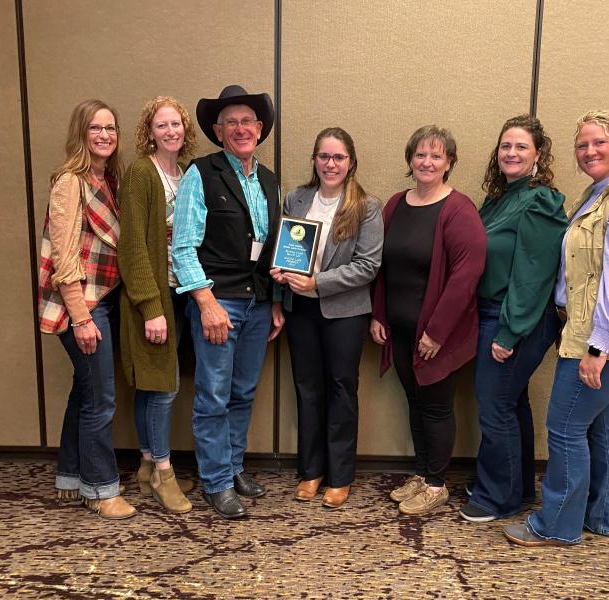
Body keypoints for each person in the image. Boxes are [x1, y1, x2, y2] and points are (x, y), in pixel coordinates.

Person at [504, 110, 609, 546]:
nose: (590, 150)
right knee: (601, 424)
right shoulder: (599, 194)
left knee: (564, 426)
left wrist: (599, 347)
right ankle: (604, 516)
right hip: (595, 332)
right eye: (582, 145)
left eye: (599, 142)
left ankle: (556, 525)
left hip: (605, 337)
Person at [172, 85, 284, 519]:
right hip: (219, 303)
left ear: (260, 129)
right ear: (219, 132)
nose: (241, 129)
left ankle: (234, 467)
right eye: (231, 122)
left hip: (257, 304)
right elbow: (182, 247)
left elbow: (272, 246)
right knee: (213, 396)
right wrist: (206, 301)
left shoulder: (270, 179)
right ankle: (215, 481)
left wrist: (275, 301)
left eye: (248, 121)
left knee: (243, 392)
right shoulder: (201, 173)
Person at [370, 125, 486, 516]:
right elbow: (381, 267)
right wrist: (379, 315)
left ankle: (437, 484)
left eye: (436, 156)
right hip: (398, 329)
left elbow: (466, 276)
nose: (427, 162)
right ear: (410, 159)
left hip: (437, 334)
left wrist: (436, 333)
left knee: (435, 407)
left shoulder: (458, 210)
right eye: (421, 154)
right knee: (415, 402)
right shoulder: (395, 204)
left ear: (449, 163)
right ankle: (422, 473)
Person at [459, 115, 567, 523]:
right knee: (511, 402)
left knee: (495, 407)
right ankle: (516, 488)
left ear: (538, 155)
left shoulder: (540, 199)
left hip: (517, 317)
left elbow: (534, 272)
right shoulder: (501, 197)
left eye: (521, 146)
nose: (511, 153)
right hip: (495, 312)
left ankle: (496, 498)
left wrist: (510, 331)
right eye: (506, 146)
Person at [271, 127, 383, 509]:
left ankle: (339, 475)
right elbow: (284, 251)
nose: (330, 164)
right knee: (307, 389)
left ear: (351, 162)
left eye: (338, 157)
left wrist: (317, 282)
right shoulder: (296, 198)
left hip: (344, 313)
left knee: (340, 391)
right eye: (324, 156)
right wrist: (280, 274)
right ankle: (311, 470)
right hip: (299, 310)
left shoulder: (366, 207)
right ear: (314, 160)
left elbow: (367, 267)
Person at [37, 99, 134, 519]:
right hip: (81, 304)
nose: (104, 135)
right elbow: (64, 255)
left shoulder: (107, 180)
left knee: (84, 390)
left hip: (104, 300)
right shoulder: (70, 182)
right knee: (101, 398)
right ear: (81, 133)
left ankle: (71, 476)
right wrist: (80, 317)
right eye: (95, 128)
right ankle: (100, 490)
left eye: (111, 128)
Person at [117, 96, 198, 513]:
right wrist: (151, 307)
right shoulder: (140, 174)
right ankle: (165, 472)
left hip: (178, 293)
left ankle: (147, 465)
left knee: (154, 385)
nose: (171, 131)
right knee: (163, 387)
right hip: (152, 298)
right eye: (162, 125)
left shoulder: (182, 173)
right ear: (149, 131)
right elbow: (131, 247)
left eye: (176, 125)